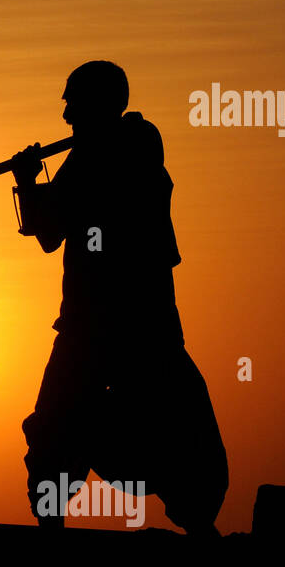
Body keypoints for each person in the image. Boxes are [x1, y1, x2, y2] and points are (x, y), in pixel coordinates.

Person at [12, 60, 227, 535]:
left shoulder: (122, 148)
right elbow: (55, 230)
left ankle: (197, 529)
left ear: (95, 103)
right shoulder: (119, 147)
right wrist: (37, 183)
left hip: (111, 326)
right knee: (60, 427)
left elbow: (49, 231)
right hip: (128, 323)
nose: (65, 115)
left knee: (157, 427)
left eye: (72, 101)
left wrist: (29, 181)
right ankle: (54, 525)